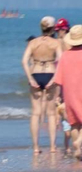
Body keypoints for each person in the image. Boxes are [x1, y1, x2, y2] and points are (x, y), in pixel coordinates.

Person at [25, 18, 64, 153]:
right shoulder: (56, 43)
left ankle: (36, 147)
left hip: (35, 73)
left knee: (35, 113)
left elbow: (24, 61)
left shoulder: (33, 42)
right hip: (50, 73)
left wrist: (30, 79)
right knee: (51, 114)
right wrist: (54, 79)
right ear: (53, 28)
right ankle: (52, 146)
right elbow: (61, 61)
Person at [55, 25, 82, 159]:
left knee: (74, 123)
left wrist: (58, 97)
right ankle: (79, 143)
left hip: (70, 93)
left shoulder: (65, 56)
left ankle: (78, 150)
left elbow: (58, 79)